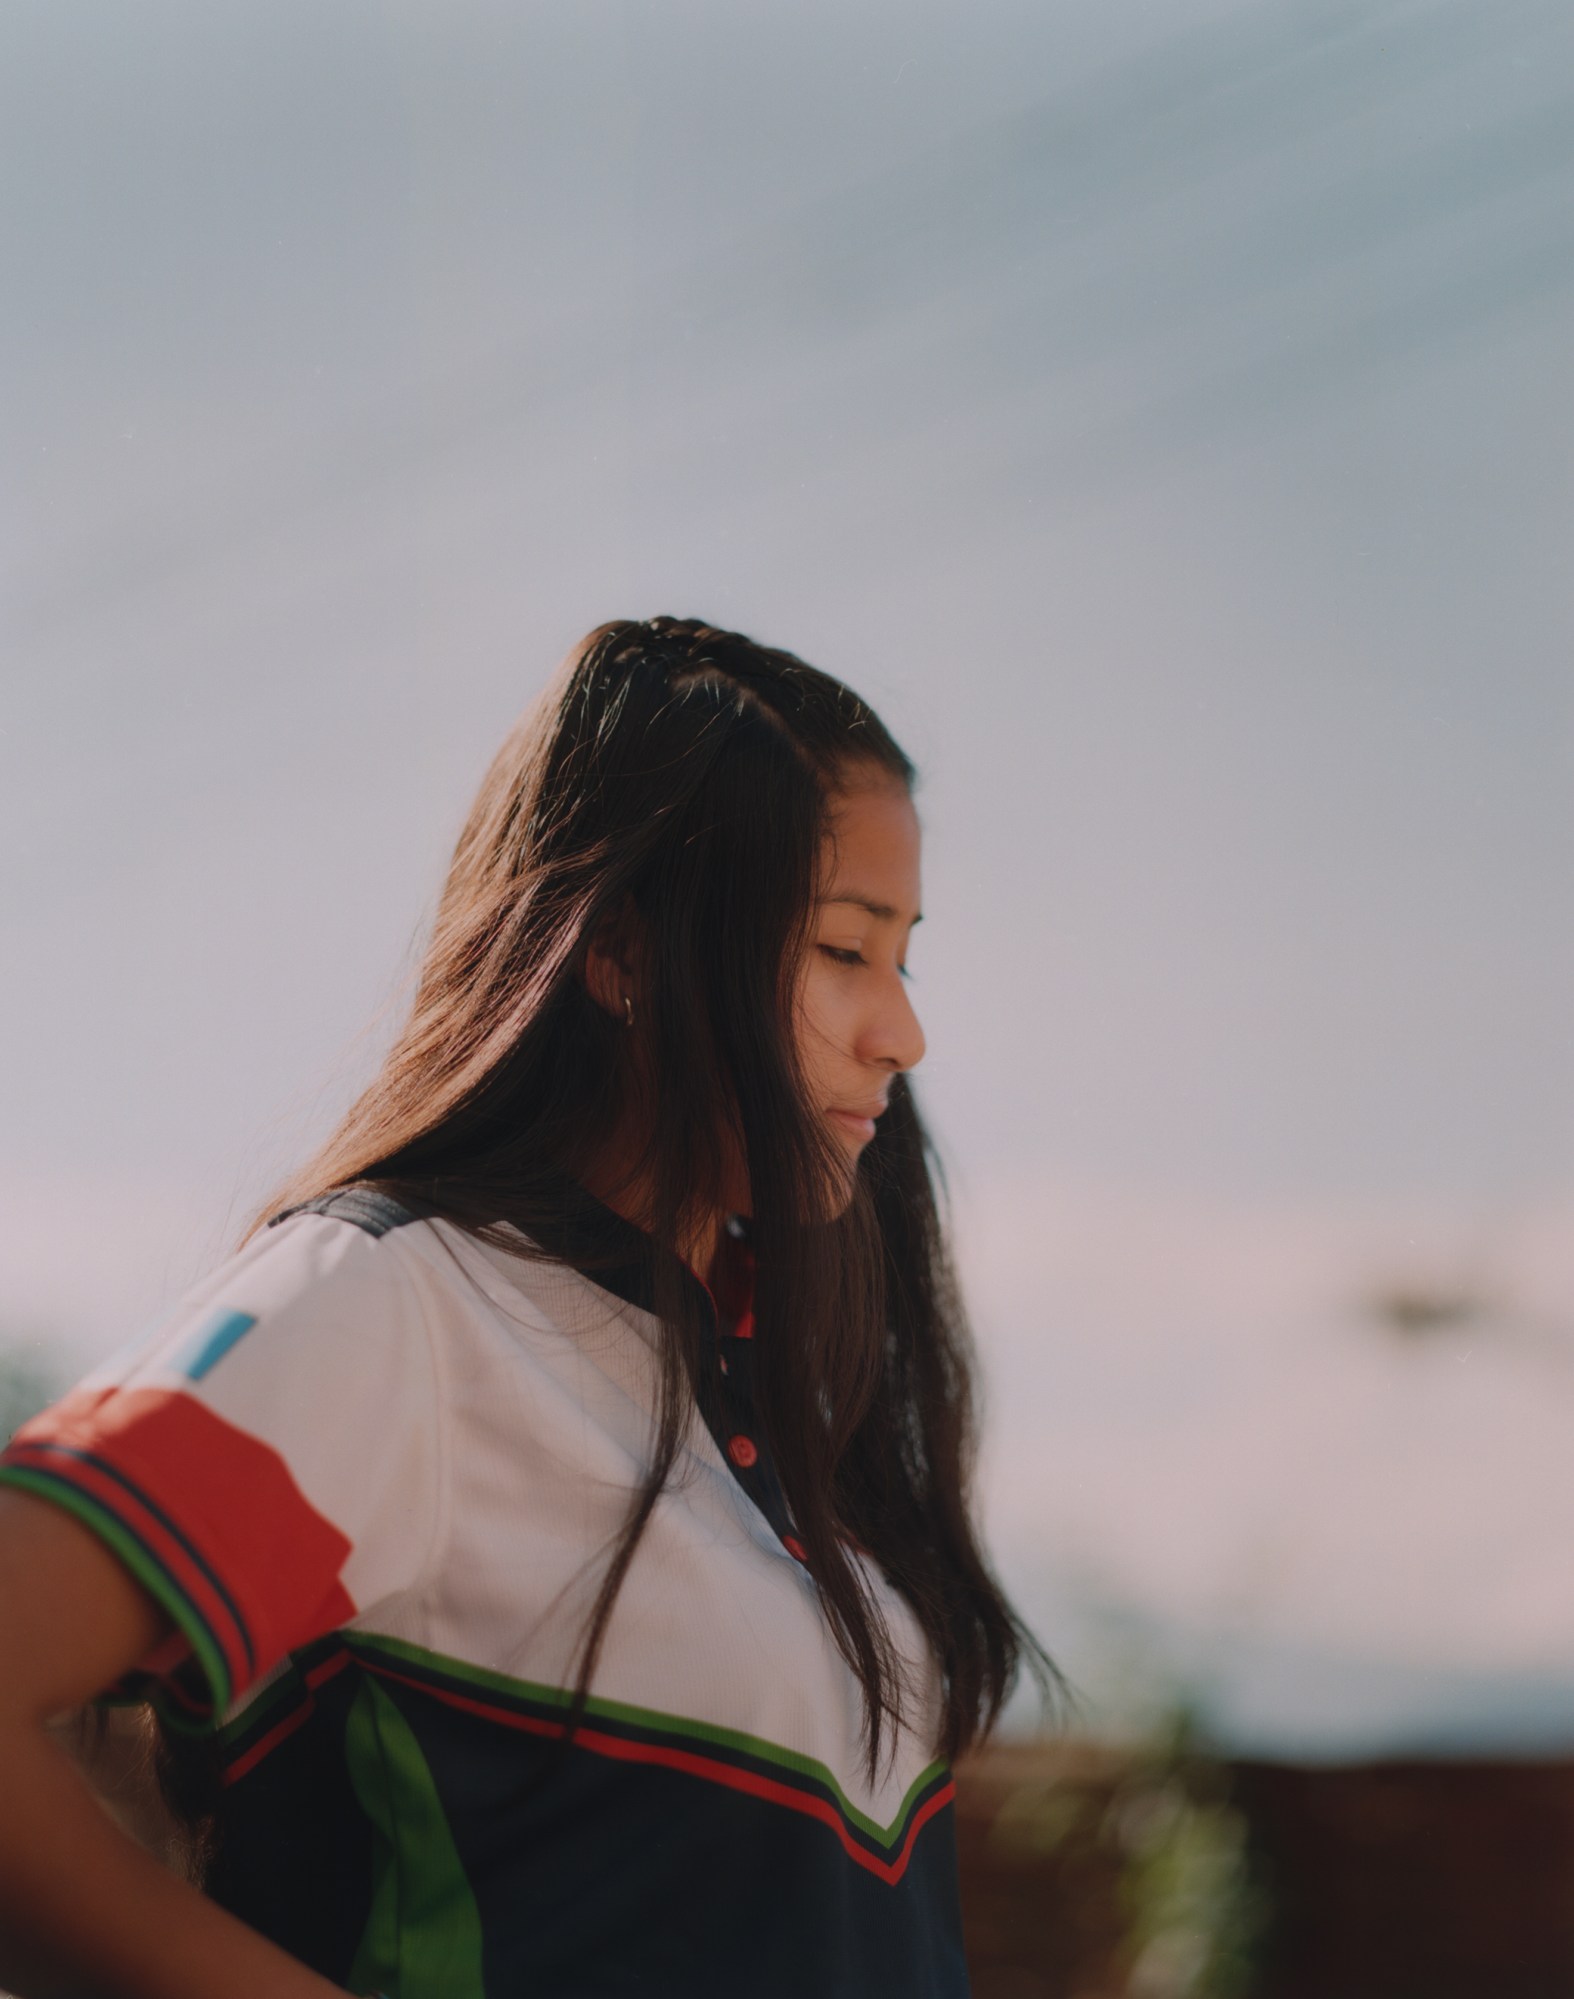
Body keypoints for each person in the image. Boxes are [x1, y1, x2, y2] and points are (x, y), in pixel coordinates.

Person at [0, 616, 1058, 1998]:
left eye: (903, 956)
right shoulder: (407, 1309)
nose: (901, 1033)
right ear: (620, 951)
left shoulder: (760, 1398)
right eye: (840, 950)